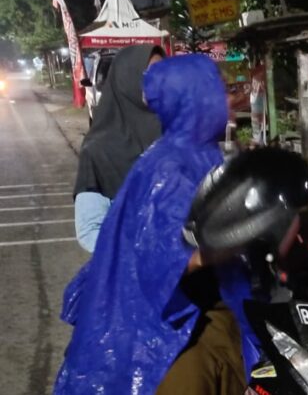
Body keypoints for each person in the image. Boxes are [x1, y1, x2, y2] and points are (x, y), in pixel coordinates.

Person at [54, 54, 246, 395]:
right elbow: (165, 256)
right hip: (166, 325)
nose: (231, 99)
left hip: (195, 304)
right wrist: (239, 238)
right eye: (219, 91)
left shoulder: (198, 152)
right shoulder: (170, 165)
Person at [73, 45, 164, 252]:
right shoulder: (98, 150)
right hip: (137, 266)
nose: (161, 82)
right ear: (127, 79)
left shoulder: (173, 131)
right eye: (150, 75)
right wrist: (146, 255)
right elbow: (90, 231)